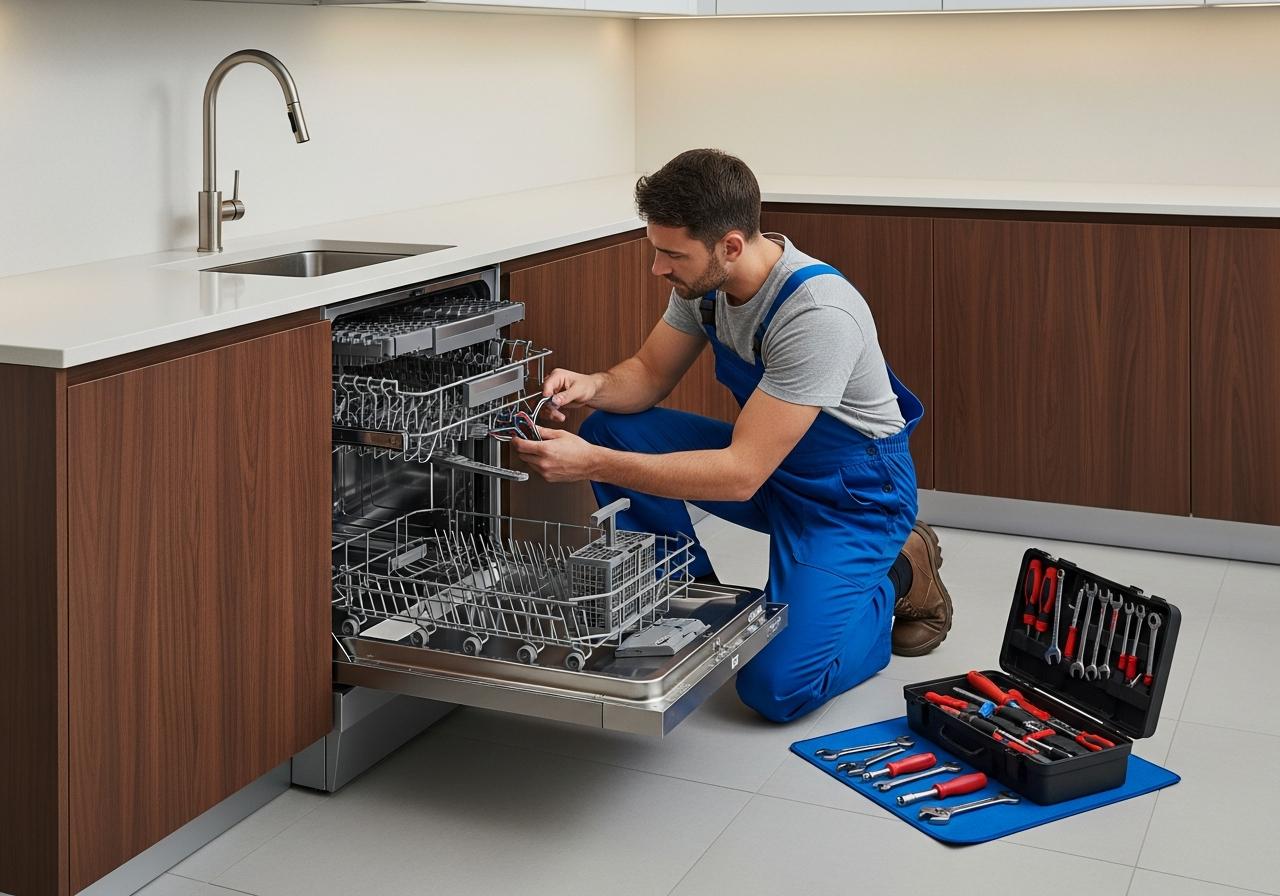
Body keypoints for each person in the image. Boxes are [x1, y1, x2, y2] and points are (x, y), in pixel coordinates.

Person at [512, 148, 952, 723]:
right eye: (656, 250)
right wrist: (592, 385)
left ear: (731, 246)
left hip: (851, 499)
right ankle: (688, 601)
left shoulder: (817, 314)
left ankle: (901, 572)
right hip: (775, 467)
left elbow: (741, 475)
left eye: (673, 254)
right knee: (613, 428)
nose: (658, 268)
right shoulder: (705, 288)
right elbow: (647, 375)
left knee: (775, 687)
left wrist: (590, 463)